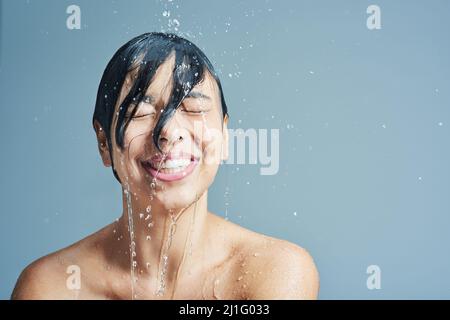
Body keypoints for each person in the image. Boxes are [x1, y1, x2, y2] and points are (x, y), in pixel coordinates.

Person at [12, 32, 319, 300]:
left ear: (224, 136)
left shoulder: (274, 271)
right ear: (104, 141)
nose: (169, 132)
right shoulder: (52, 287)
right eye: (139, 111)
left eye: (194, 107)